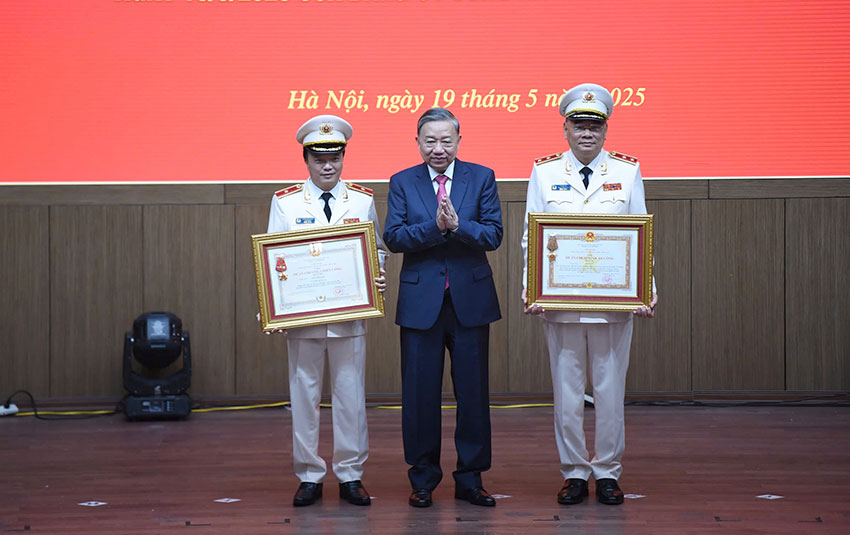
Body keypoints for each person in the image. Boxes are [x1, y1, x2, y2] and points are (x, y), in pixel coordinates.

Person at [521, 84, 657, 506]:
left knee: (610, 390)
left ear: (605, 130)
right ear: (565, 129)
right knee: (566, 392)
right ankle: (575, 472)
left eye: (594, 126)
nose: (586, 133)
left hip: (613, 304)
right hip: (560, 303)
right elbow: (532, 238)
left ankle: (608, 472)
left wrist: (646, 289)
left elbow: (642, 237)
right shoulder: (544, 173)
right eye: (578, 125)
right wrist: (532, 288)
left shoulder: (626, 172)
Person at [265, 114, 387, 507]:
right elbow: (276, 260)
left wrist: (377, 277)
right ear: (306, 159)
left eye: (335, 157)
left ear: (344, 156)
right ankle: (309, 474)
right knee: (304, 395)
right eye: (319, 158)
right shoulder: (285, 203)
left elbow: (377, 251)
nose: (328, 165)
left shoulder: (362, 199)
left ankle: (351, 474)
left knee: (351, 397)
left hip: (349, 318)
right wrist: (274, 303)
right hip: (304, 321)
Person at [383, 108, 503, 508]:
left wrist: (458, 227)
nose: (438, 148)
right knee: (419, 397)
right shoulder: (402, 181)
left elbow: (494, 234)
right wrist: (435, 229)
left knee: (473, 396)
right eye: (430, 141)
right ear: (417, 142)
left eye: (446, 140)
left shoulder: (481, 176)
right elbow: (394, 237)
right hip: (421, 305)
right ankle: (422, 480)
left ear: (458, 141)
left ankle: (470, 479)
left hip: (470, 301)